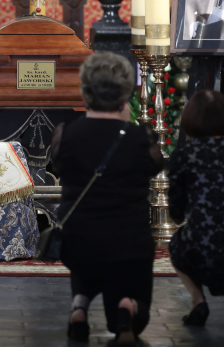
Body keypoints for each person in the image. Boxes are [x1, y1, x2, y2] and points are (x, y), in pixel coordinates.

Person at [51, 52, 163, 344]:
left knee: (88, 250)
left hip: (78, 241)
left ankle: (79, 308)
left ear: (84, 91)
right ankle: (128, 308)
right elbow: (155, 167)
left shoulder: (66, 134)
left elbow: (60, 166)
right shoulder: (142, 138)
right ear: (126, 93)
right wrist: (127, 125)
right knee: (131, 300)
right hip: (129, 243)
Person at [167, 89, 224, 328]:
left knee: (179, 244)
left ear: (192, 118)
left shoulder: (185, 154)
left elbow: (176, 212)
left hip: (201, 248)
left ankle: (198, 301)